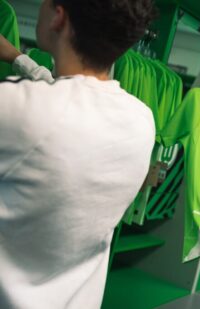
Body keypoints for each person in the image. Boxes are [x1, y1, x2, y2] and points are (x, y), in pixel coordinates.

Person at [0, 0, 155, 308]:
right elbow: (69, 101)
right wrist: (19, 59)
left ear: (58, 17)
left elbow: (51, 109)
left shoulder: (16, 107)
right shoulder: (141, 119)